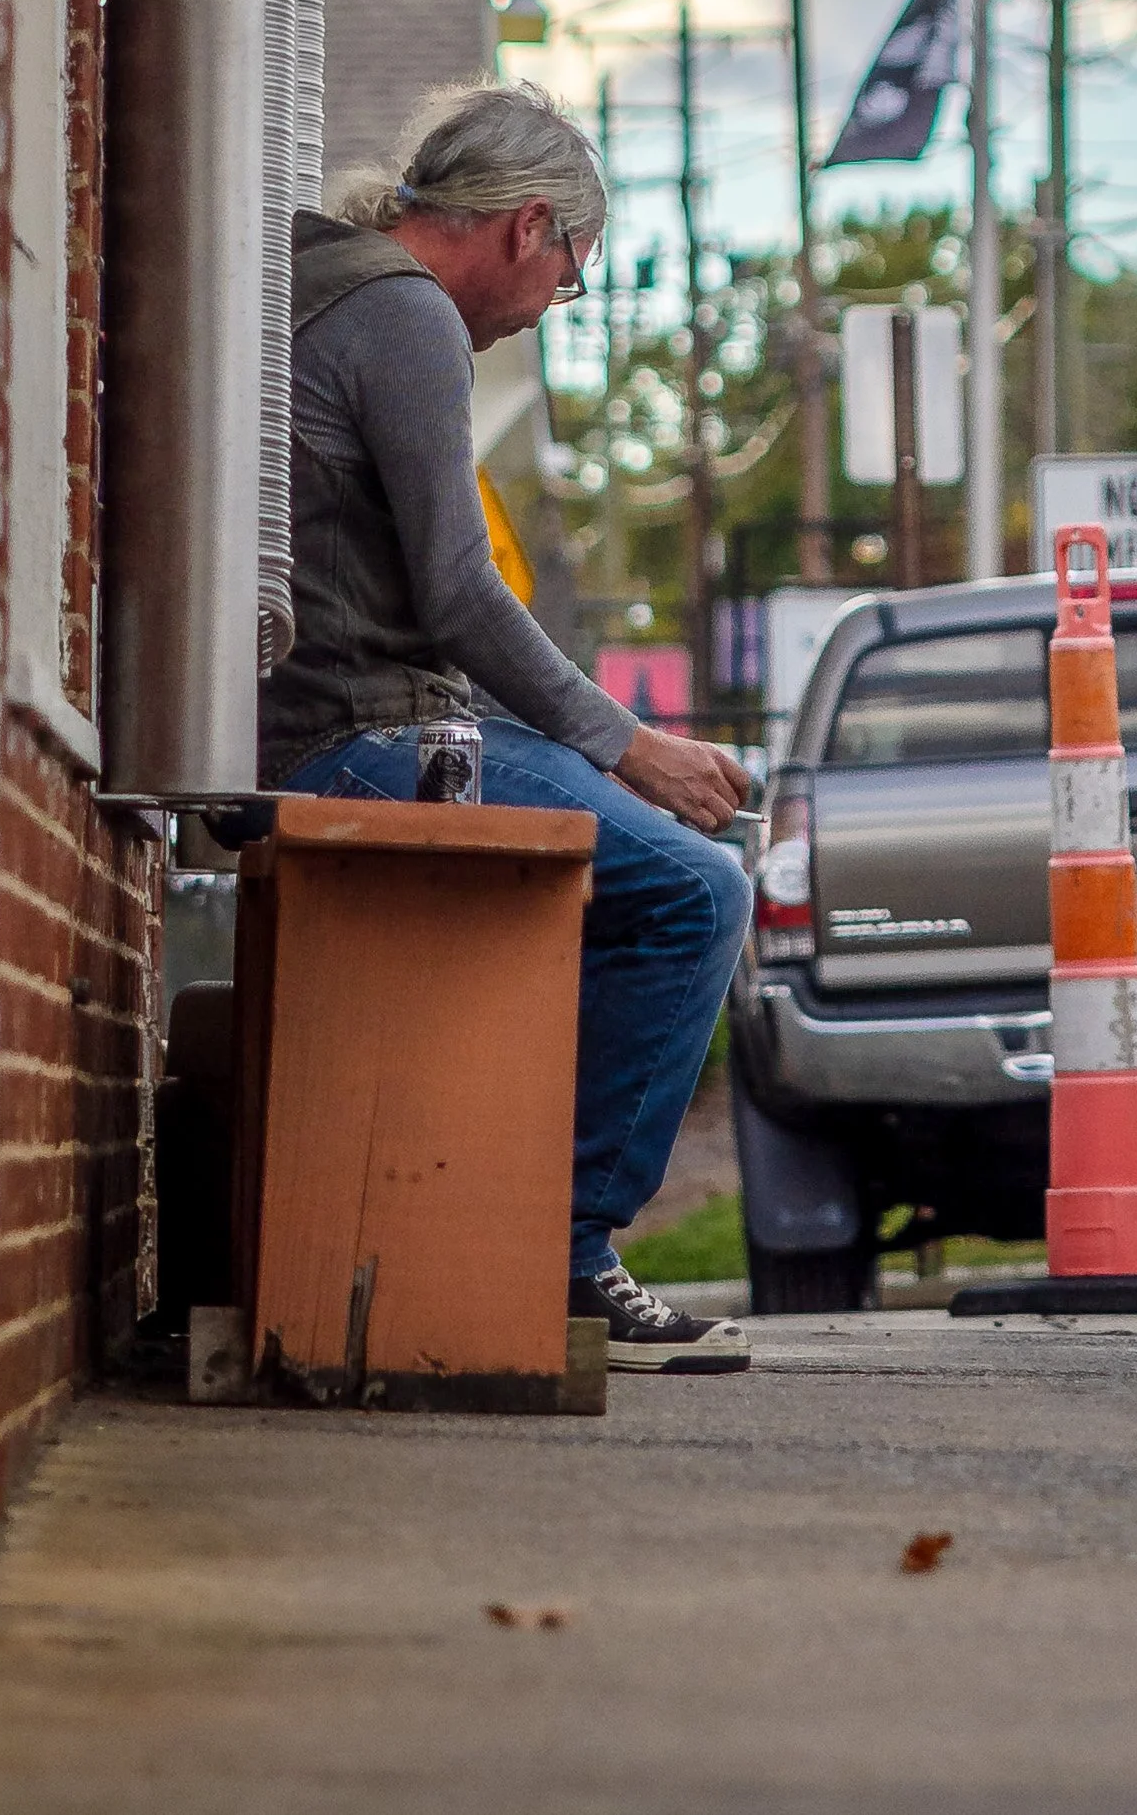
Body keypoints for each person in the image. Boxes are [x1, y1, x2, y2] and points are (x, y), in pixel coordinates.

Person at [261, 78, 754, 1371]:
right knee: (693, 890)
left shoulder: (328, 279)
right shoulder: (402, 310)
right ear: (527, 226)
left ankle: (488, 1198)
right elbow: (459, 589)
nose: (550, 309)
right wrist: (626, 743)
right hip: (355, 737)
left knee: (632, 870)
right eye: (570, 277)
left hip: (323, 719)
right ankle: (565, 1246)